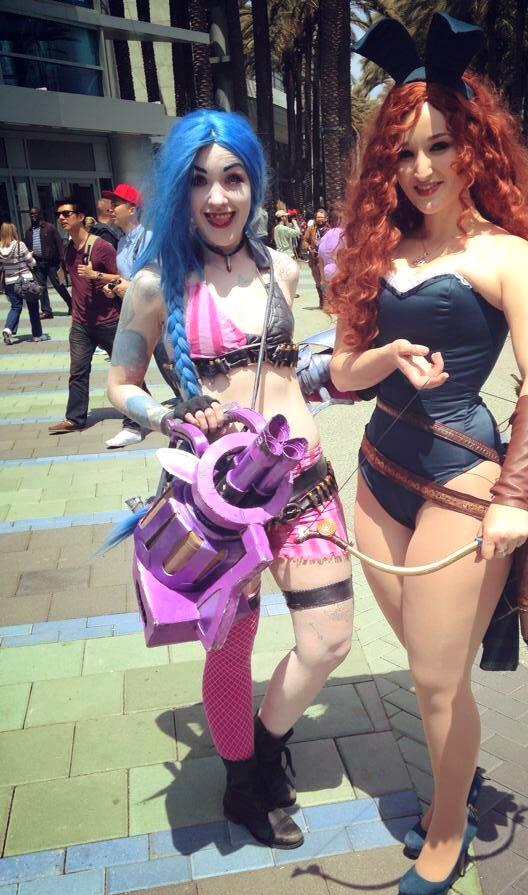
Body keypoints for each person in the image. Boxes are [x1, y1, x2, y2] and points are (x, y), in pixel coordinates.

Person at [330, 14, 528, 895]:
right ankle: (454, 771)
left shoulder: (508, 255)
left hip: (464, 486)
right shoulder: (379, 252)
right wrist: (386, 358)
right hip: (376, 478)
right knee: (438, 671)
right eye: (405, 154)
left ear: (475, 148)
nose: (422, 169)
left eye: (440, 146)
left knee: (432, 677)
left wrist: (515, 494)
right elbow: (343, 370)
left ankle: (447, 828)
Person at [106, 109, 354, 850]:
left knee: (328, 641)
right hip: (220, 507)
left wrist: (351, 370)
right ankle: (243, 781)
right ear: (179, 191)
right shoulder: (153, 284)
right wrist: (169, 414)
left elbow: (290, 372)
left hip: (305, 485)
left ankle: (267, 744)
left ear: (254, 185)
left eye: (234, 178)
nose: (218, 197)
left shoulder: (282, 268)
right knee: (230, 651)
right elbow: (119, 382)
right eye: (201, 181)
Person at [47, 197, 144, 435]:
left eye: (67, 213)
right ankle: (75, 418)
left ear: (81, 217)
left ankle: (140, 411)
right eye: (59, 214)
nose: (62, 218)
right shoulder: (68, 248)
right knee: (78, 372)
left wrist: (96, 275)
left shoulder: (101, 247)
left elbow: (120, 278)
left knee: (126, 371)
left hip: (108, 321)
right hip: (81, 323)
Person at [99, 182, 177, 447]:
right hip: (135, 320)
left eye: (116, 204)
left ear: (132, 209)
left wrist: (129, 287)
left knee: (172, 371)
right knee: (128, 375)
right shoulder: (121, 243)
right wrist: (116, 287)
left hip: (160, 321)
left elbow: (163, 281)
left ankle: (192, 415)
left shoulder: (152, 240)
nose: (111, 209)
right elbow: (129, 279)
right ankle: (133, 424)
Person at [0, 221, 48, 344]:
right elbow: (31, 262)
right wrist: (30, 256)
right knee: (33, 307)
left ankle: (8, 329)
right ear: (13, 231)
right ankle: (37, 335)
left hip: (10, 282)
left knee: (15, 306)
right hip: (25, 280)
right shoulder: (19, 245)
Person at [24, 207, 72, 318]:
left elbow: (59, 244)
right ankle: (46, 311)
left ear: (40, 214)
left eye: (35, 214)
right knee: (41, 287)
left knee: (58, 285)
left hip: (52, 263)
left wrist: (62, 260)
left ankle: (72, 304)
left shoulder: (49, 228)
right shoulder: (29, 231)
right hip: (38, 263)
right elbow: (27, 247)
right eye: (31, 214)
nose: (33, 216)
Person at [316, 203, 344, 311]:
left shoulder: (325, 237)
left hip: (328, 274)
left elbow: (320, 259)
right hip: (341, 275)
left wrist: (322, 279)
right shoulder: (344, 234)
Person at [303, 208, 329, 307]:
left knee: (327, 281)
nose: (319, 219)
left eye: (321, 217)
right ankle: (322, 300)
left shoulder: (329, 229)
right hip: (315, 259)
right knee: (318, 282)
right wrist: (309, 247)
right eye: (318, 217)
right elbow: (304, 241)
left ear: (326, 218)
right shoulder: (311, 229)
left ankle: (327, 301)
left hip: (326, 260)